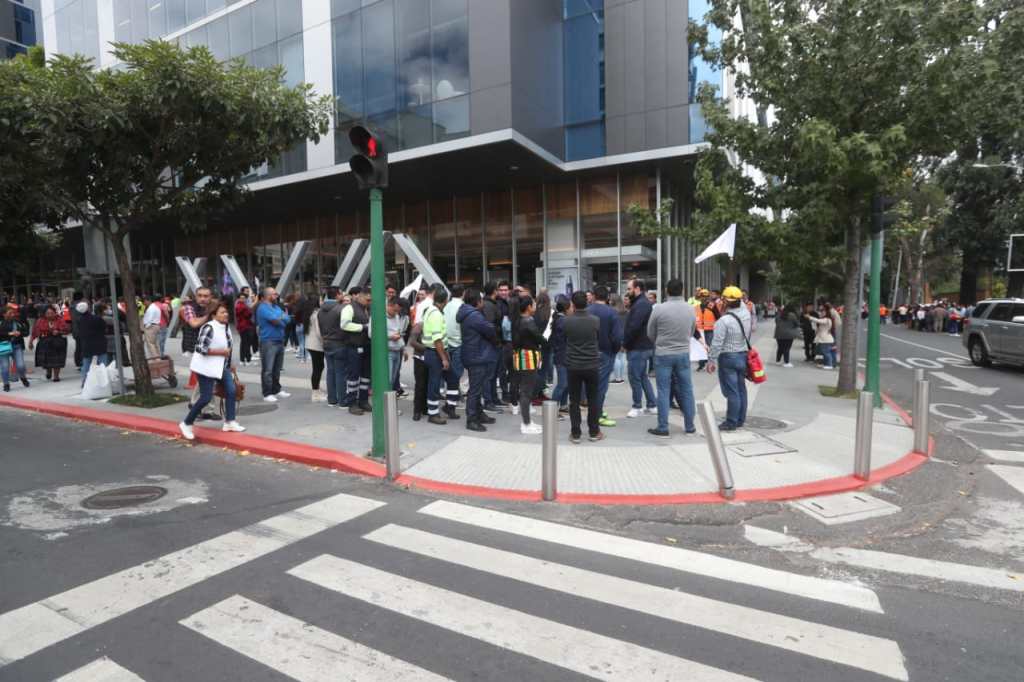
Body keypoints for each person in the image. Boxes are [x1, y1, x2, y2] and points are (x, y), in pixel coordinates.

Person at [178, 303, 245, 440]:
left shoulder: (225, 327)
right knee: (206, 397)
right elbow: (200, 348)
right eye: (222, 312)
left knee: (231, 391)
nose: (226, 314)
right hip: (206, 368)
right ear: (214, 315)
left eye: (226, 312)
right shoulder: (209, 327)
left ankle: (230, 422)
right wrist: (221, 352)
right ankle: (186, 423)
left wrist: (230, 364)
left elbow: (228, 348)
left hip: (221, 367)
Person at [646, 279, 697, 438]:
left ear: (666, 290)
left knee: (663, 390)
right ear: (683, 290)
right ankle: (690, 427)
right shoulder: (690, 309)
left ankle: (663, 427)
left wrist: (660, 342)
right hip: (683, 353)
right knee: (687, 389)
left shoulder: (659, 309)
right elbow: (692, 331)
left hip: (663, 353)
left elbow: (650, 332)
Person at [707, 286, 753, 431]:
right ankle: (740, 419)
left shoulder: (724, 321)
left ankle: (731, 421)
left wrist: (711, 360)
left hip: (728, 357)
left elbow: (717, 343)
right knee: (741, 389)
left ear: (725, 302)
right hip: (742, 355)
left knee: (732, 391)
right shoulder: (746, 314)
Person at [562, 291, 603, 443]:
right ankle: (594, 431)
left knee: (574, 400)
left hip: (573, 364)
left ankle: (575, 433)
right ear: (587, 303)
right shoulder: (595, 320)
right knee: (593, 399)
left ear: (572, 304)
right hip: (591, 364)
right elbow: (598, 339)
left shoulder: (566, 321)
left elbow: (565, 339)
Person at [457, 288, 498, 432]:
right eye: (481, 300)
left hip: (473, 354)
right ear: (477, 301)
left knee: (477, 387)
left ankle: (479, 413)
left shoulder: (468, 313)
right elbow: (490, 330)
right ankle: (472, 419)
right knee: (475, 389)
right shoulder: (474, 316)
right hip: (477, 356)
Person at [623, 278, 657, 418]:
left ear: (637, 289)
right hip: (642, 346)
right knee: (642, 377)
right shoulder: (641, 303)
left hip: (638, 347)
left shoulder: (641, 304)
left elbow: (634, 327)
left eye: (629, 288)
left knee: (635, 378)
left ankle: (637, 406)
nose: (627, 291)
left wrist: (625, 344)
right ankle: (652, 404)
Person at [589, 285, 622, 428]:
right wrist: (614, 350)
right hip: (606, 352)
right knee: (601, 386)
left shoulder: (587, 310)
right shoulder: (611, 312)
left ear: (594, 296)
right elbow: (617, 337)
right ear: (607, 297)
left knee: (591, 385)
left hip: (589, 352)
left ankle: (596, 412)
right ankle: (597, 415)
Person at [511, 295, 544, 435]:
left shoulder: (518, 320)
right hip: (528, 358)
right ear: (529, 307)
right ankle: (526, 423)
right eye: (533, 304)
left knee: (525, 390)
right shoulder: (528, 322)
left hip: (521, 357)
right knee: (526, 392)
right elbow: (540, 339)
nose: (535, 306)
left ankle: (527, 421)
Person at [421, 285, 453, 425]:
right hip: (435, 353)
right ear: (445, 300)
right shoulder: (436, 315)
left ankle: (436, 410)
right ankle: (433, 414)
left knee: (434, 382)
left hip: (432, 352)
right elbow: (437, 340)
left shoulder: (430, 310)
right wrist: (444, 358)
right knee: (434, 384)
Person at [255, 287, 291, 402]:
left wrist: (281, 319)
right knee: (268, 369)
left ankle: (276, 390)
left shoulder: (276, 307)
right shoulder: (262, 308)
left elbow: (287, 319)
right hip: (268, 341)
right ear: (267, 296)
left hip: (279, 340)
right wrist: (281, 319)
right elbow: (275, 320)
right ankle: (267, 393)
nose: (277, 296)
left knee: (277, 368)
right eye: (274, 294)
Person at [340, 287, 372, 415]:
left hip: (366, 346)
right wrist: (363, 327)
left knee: (366, 376)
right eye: (367, 299)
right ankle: (352, 403)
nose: (369, 302)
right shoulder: (349, 308)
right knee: (353, 376)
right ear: (360, 296)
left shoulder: (367, 309)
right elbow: (344, 325)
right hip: (353, 346)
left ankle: (363, 400)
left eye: (370, 300)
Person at [318, 287, 347, 407]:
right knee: (340, 372)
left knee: (331, 372)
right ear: (337, 295)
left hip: (326, 342)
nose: (343, 295)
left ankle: (332, 399)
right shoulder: (341, 308)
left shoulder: (320, 310)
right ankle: (342, 401)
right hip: (339, 342)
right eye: (341, 293)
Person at [29, 305, 69, 382]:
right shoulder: (40, 321)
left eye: (51, 313)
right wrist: (31, 342)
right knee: (47, 359)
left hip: (58, 342)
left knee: (57, 360)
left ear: (55, 313)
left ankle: (56, 376)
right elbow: (35, 332)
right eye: (48, 313)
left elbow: (66, 330)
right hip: (45, 341)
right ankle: (48, 371)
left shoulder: (60, 319)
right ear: (44, 314)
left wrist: (59, 332)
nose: (50, 315)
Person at [442, 283, 465, 418]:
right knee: (455, 376)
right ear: (463, 293)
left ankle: (450, 403)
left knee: (450, 376)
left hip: (445, 344)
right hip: (458, 345)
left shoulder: (446, 306)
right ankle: (450, 405)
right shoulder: (462, 307)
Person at [76, 301, 109, 389]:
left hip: (86, 343)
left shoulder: (79, 320)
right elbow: (104, 328)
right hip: (99, 342)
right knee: (103, 363)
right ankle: (105, 380)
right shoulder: (97, 318)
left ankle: (85, 381)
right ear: (88, 308)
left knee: (86, 363)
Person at [0, 305, 30, 391]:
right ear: (4, 314)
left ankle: (23, 377)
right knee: (5, 367)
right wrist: (9, 334)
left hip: (17, 346)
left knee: (21, 365)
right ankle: (6, 384)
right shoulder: (1, 323)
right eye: (10, 313)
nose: (12, 315)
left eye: (13, 313)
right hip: (4, 347)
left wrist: (20, 333)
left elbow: (26, 332)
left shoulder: (17, 322)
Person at [549, 295, 570, 413]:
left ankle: (563, 404)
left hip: (561, 355)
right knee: (563, 384)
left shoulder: (558, 319)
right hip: (562, 355)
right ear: (566, 309)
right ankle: (552, 409)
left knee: (566, 383)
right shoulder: (563, 321)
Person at [386, 296, 409, 400]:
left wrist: (403, 348)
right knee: (388, 379)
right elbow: (372, 334)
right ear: (389, 305)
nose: (396, 313)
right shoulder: (380, 317)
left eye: (398, 311)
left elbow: (399, 334)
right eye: (395, 310)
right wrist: (390, 337)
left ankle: (390, 403)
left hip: (397, 350)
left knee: (393, 378)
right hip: (388, 351)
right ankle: (386, 403)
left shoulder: (396, 317)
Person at [306, 295, 326, 402]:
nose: (322, 301)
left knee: (317, 367)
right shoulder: (317, 314)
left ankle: (316, 390)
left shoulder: (310, 313)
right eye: (321, 300)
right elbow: (319, 331)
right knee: (318, 368)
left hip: (310, 343)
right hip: (316, 344)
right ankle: (315, 393)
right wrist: (324, 342)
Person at [809, 303, 837, 369]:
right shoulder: (825, 319)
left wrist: (810, 317)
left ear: (826, 311)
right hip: (824, 339)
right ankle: (826, 364)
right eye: (820, 311)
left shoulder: (827, 319)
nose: (821, 312)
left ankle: (829, 365)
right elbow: (818, 325)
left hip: (826, 339)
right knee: (824, 353)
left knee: (826, 353)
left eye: (822, 311)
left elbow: (818, 321)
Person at [609, 292, 627, 384]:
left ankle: (617, 378)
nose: (609, 301)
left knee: (615, 357)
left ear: (613, 301)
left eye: (610, 299)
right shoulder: (625, 311)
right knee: (622, 356)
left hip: (616, 335)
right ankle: (621, 377)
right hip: (624, 335)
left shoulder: (612, 311)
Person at [235, 288, 256, 366]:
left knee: (244, 343)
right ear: (238, 298)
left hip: (244, 326)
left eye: (244, 298)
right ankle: (247, 360)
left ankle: (243, 359)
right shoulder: (240, 306)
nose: (243, 299)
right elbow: (248, 314)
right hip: (244, 326)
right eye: (241, 298)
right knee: (246, 343)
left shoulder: (241, 305)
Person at [142, 294, 163, 358]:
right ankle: (158, 356)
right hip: (156, 325)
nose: (144, 303)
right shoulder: (155, 307)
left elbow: (149, 319)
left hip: (151, 326)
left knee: (150, 344)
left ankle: (155, 358)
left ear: (148, 300)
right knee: (155, 343)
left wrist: (146, 327)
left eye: (144, 301)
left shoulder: (151, 308)